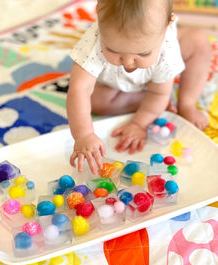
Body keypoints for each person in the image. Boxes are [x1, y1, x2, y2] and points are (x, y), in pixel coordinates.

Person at [67, 0, 211, 174]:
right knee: (97, 102)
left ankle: (187, 102)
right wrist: (84, 134)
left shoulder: (167, 45)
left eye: (143, 53)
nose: (128, 62)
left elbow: (159, 92)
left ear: (167, 25)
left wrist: (139, 123)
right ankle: (147, 101)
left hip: (158, 77)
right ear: (99, 15)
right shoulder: (94, 41)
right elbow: (79, 88)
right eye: (113, 50)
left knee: (199, 42)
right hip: (114, 83)